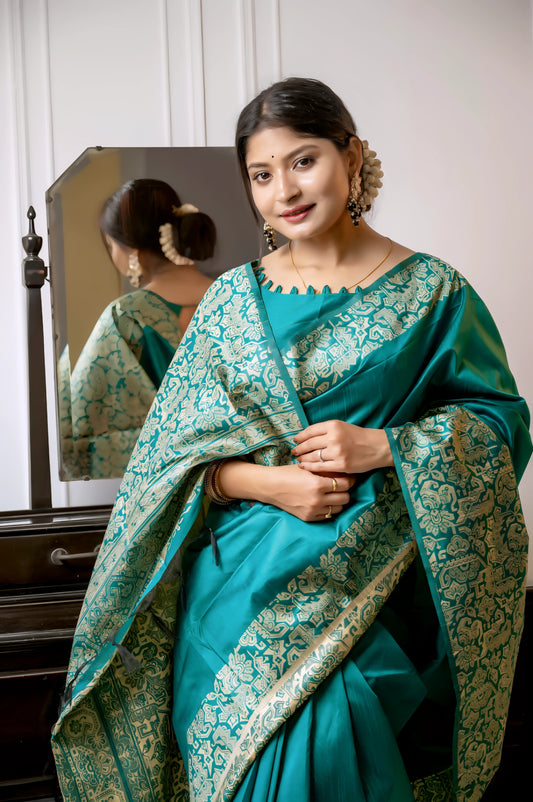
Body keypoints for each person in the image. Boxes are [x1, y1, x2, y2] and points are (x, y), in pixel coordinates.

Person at [52, 78, 531, 801]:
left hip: (367, 593)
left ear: (352, 156)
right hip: (232, 597)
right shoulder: (228, 303)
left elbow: (500, 424)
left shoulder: (433, 293)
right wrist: (266, 482)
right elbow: (169, 460)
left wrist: (383, 448)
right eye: (261, 174)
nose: (285, 190)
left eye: (303, 161)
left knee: (332, 752)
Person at [59, 178, 216, 479]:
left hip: (168, 481)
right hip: (251, 486)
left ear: (130, 251)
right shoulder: (238, 295)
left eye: (110, 245)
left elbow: (83, 423)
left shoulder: (125, 316)